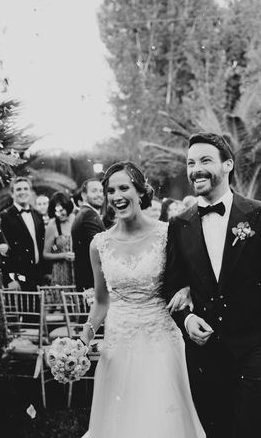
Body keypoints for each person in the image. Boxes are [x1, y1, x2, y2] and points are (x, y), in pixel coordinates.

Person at [165, 132, 261, 438]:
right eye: (191, 163)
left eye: (206, 160)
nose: (196, 169)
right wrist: (187, 319)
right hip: (205, 358)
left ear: (228, 164)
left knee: (254, 431)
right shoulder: (180, 225)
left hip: (255, 350)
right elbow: (172, 286)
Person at [80, 161, 205, 438]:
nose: (117, 196)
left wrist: (187, 289)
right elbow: (101, 302)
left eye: (124, 187)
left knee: (160, 422)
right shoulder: (98, 244)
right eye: (111, 190)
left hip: (160, 342)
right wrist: (82, 341)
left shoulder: (168, 233)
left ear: (140, 191)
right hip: (118, 345)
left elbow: (191, 277)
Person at [0, 177, 46, 290]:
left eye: (26, 189)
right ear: (12, 193)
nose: (23, 192)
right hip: (17, 278)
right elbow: (2, 251)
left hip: (38, 275)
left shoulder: (38, 215)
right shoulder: (4, 217)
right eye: (19, 189)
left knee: (38, 308)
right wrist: (9, 279)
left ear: (30, 192)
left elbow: (41, 245)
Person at [71, 178, 106, 291]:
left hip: (86, 281)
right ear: (84, 195)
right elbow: (99, 249)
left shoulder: (84, 213)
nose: (99, 194)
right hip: (92, 281)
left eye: (101, 191)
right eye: (94, 191)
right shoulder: (89, 215)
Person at [43, 192, 76, 286]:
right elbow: (45, 254)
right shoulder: (52, 225)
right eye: (56, 211)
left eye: (62, 210)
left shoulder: (76, 219)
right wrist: (63, 255)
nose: (60, 214)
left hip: (78, 270)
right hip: (61, 273)